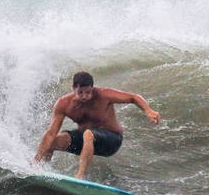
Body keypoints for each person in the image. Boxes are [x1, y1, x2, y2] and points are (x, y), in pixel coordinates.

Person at [33, 71, 161, 179]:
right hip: (86, 140)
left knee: (89, 134)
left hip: (112, 140)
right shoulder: (63, 104)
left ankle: (80, 176)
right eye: (80, 92)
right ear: (73, 88)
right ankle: (42, 170)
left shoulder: (104, 95)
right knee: (53, 141)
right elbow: (50, 133)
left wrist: (148, 110)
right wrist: (36, 159)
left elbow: (134, 97)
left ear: (92, 88)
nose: (84, 96)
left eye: (88, 92)